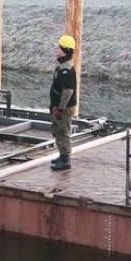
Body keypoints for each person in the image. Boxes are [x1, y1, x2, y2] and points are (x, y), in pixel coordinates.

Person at [49, 34, 78, 171]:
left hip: (64, 108)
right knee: (58, 130)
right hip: (58, 106)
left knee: (63, 131)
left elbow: (68, 91)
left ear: (65, 50)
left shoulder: (66, 69)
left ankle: (65, 160)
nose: (56, 48)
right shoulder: (61, 65)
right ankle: (62, 155)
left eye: (59, 47)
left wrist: (60, 109)